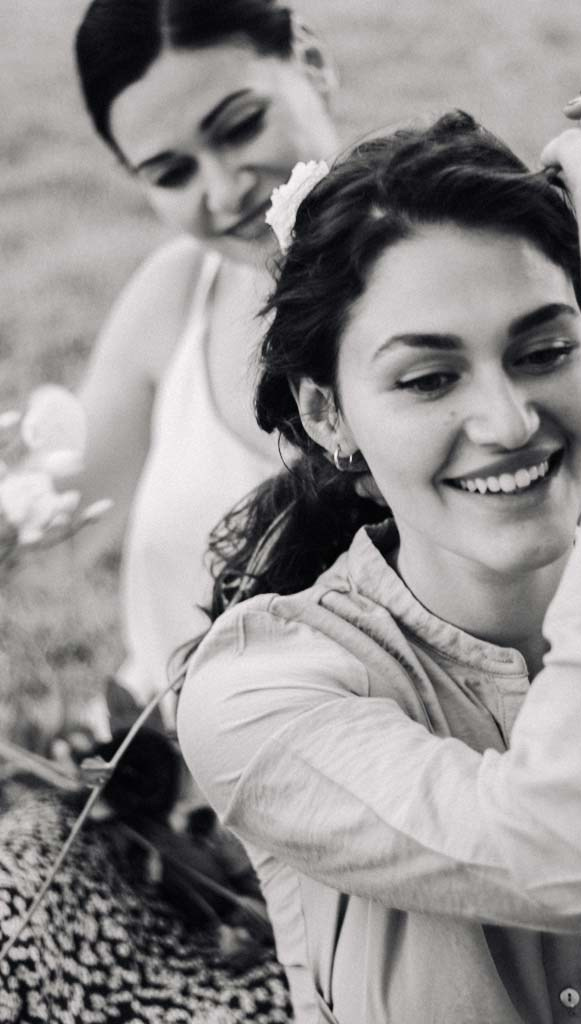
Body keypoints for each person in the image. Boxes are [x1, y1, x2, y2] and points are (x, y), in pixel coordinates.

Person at [177, 100, 581, 1024]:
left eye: (544, 351)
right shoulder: (259, 691)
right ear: (328, 416)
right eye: (427, 378)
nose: (508, 422)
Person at [0, 0, 340, 1018]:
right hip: (158, 812)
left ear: (310, 64)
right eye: (170, 172)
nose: (222, 187)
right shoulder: (175, 293)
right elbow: (46, 500)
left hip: (358, 842)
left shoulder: (433, 287)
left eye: (238, 126)